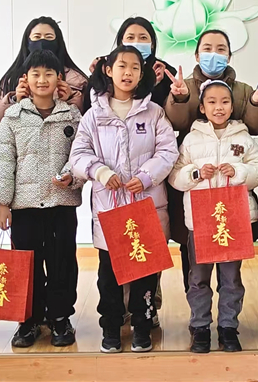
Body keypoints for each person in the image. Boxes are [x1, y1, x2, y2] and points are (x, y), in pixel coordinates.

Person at [70, 45, 179, 354]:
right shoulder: (94, 115)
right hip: (110, 208)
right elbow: (78, 154)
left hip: (146, 205)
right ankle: (111, 327)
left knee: (145, 272)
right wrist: (100, 172)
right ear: (108, 70)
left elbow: (168, 151)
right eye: (122, 66)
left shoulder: (153, 112)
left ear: (141, 74)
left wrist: (146, 176)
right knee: (109, 275)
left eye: (134, 67)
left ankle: (142, 326)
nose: (128, 72)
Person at [163, 29, 258, 293]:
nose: (214, 54)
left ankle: (228, 314)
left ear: (230, 55)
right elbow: (175, 122)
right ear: (197, 54)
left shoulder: (243, 90)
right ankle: (197, 311)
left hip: (231, 191)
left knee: (230, 266)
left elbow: (253, 130)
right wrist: (180, 98)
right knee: (194, 257)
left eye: (221, 49)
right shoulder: (184, 86)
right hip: (197, 183)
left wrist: (257, 104)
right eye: (207, 48)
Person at [0, 50, 84, 348]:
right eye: (36, 74)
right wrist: (2, 203)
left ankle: (60, 318)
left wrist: (72, 176)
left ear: (59, 79)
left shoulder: (72, 116)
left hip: (61, 204)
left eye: (49, 74)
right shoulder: (13, 117)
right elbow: (2, 161)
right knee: (26, 264)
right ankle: (28, 320)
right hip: (24, 207)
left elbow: (82, 154)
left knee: (62, 263)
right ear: (25, 79)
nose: (42, 80)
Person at [168, 80, 258, 353]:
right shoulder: (191, 139)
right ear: (202, 107)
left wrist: (240, 173)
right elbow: (175, 176)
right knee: (198, 277)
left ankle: (228, 327)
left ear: (233, 107)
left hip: (234, 220)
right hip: (201, 221)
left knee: (231, 278)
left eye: (225, 101)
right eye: (212, 102)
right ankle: (200, 326)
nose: (218, 107)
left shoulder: (243, 138)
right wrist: (196, 174)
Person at [0, 16, 88, 127]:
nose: (42, 41)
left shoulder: (77, 80)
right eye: (36, 37)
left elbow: (88, 122)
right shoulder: (10, 80)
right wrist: (13, 101)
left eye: (49, 37)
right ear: (27, 42)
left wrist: (71, 99)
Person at [85, 16, 177, 110]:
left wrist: (154, 85)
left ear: (152, 44)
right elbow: (88, 108)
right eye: (130, 37)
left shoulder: (164, 72)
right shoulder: (103, 67)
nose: (136, 42)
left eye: (143, 37)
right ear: (121, 42)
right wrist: (99, 77)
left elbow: (165, 110)